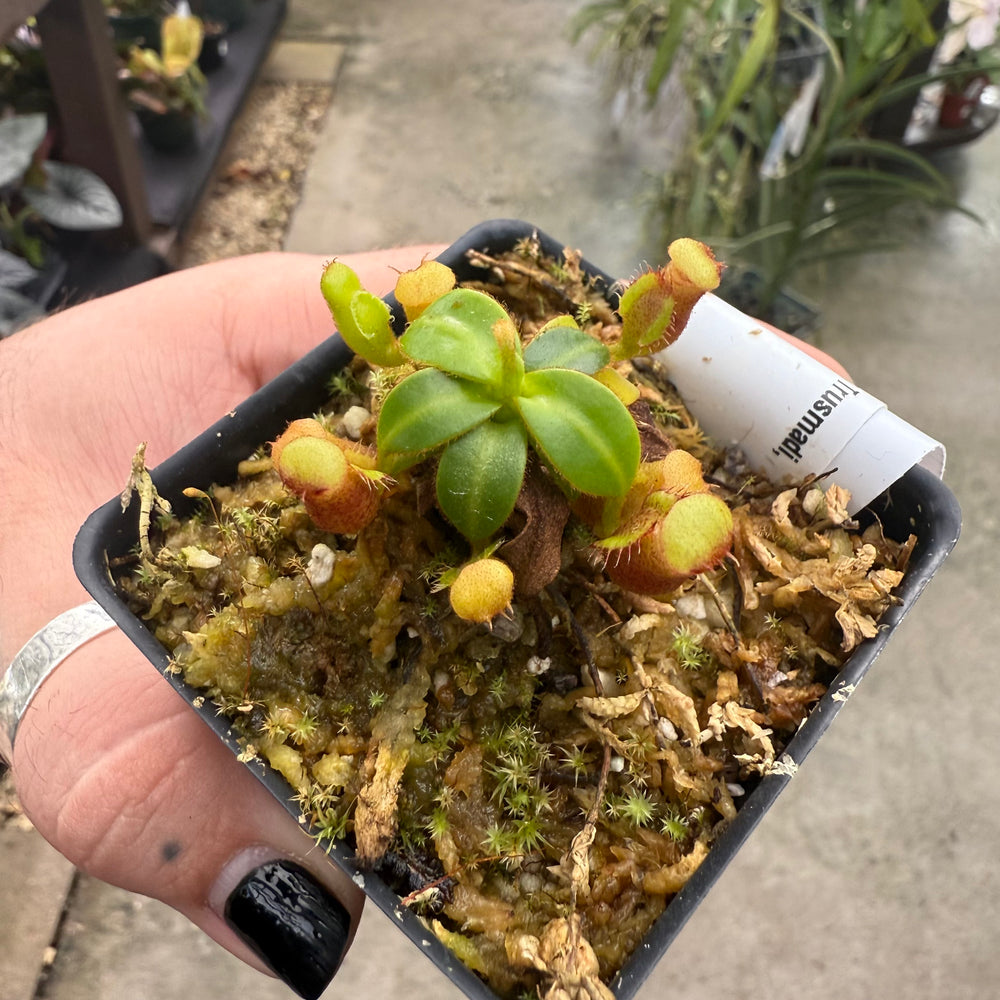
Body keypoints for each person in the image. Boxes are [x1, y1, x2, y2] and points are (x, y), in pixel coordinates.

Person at [0, 246, 849, 1000]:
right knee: (443, 486)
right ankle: (371, 483)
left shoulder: (581, 373)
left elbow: (598, 408)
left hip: (531, 430)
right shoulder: (452, 407)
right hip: (480, 447)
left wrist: (637, 509)